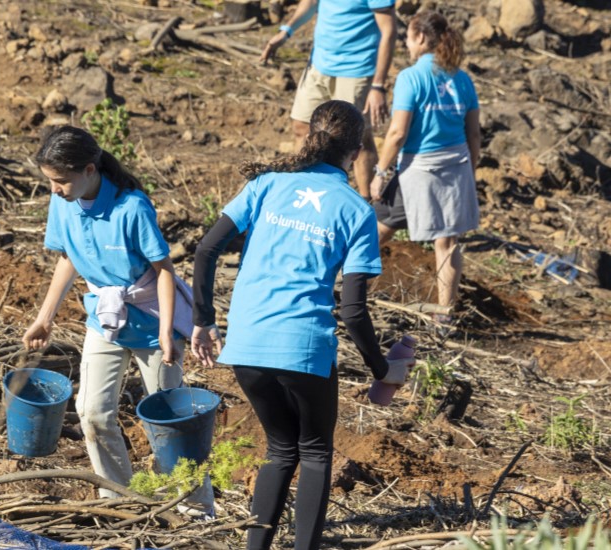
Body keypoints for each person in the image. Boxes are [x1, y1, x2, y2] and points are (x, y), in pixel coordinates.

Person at [191, 101, 415, 550]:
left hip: (248, 345)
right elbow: (352, 311)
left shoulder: (267, 184)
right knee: (314, 453)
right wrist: (382, 370)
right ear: (356, 153)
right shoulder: (355, 211)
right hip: (304, 349)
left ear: (310, 135)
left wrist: (203, 322)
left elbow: (205, 251)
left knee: (279, 450)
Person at [22, 125, 214, 516]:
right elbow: (68, 258)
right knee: (91, 413)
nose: (55, 189)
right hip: (106, 318)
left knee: (170, 422)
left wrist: (165, 334)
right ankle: (121, 501)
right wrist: (45, 318)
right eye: (50, 181)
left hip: (149, 318)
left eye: (61, 180)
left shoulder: (132, 207)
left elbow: (163, 270)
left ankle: (192, 509)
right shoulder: (63, 202)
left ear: (90, 170)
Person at [370, 11, 481, 326]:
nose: (405, 43)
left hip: (419, 171)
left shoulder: (410, 77)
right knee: (446, 242)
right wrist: (468, 174)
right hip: (456, 166)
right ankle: (444, 315)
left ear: (420, 37)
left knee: (377, 229)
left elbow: (397, 133)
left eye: (407, 36)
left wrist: (380, 172)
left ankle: (343, 284)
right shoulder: (462, 78)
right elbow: (474, 134)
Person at [260, 0, 398, 199]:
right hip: (319, 65)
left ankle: (366, 202)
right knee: (301, 127)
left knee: (359, 137)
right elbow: (310, 3)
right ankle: (300, 191)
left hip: (356, 70)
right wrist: (286, 32)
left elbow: (389, 31)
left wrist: (377, 85)